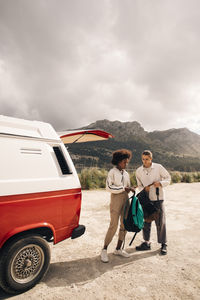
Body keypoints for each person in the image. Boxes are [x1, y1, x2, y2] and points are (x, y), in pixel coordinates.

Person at [100, 149, 135, 263]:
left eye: (127, 162)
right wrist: (123, 188)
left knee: (124, 224)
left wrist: (130, 189)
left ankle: (118, 249)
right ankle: (104, 249)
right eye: (124, 162)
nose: (126, 164)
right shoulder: (112, 172)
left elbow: (127, 186)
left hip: (125, 199)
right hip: (116, 199)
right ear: (118, 161)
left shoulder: (126, 173)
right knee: (113, 225)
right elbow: (108, 187)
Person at [135, 150, 171, 255]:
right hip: (146, 200)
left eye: (147, 159)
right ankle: (146, 243)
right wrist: (143, 189)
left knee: (160, 222)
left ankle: (163, 244)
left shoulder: (159, 167)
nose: (144, 161)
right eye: (143, 159)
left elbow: (168, 178)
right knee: (146, 222)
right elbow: (139, 184)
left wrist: (160, 183)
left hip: (158, 199)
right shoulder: (139, 171)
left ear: (151, 159)